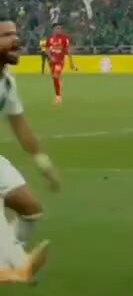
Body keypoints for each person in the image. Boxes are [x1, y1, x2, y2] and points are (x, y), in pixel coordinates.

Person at [0, 18, 60, 282]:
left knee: (31, 209)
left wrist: (44, 165)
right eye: (6, 35)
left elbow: (21, 128)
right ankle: (13, 264)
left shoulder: (7, 83)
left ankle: (9, 262)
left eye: (15, 33)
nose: (16, 39)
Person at [45, 23, 77, 104]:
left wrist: (71, 63)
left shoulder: (64, 39)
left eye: (60, 28)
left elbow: (68, 51)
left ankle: (58, 97)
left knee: (56, 76)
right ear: (54, 30)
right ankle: (58, 93)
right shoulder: (50, 39)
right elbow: (47, 50)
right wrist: (50, 57)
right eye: (57, 28)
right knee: (55, 78)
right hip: (52, 62)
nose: (59, 30)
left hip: (60, 61)